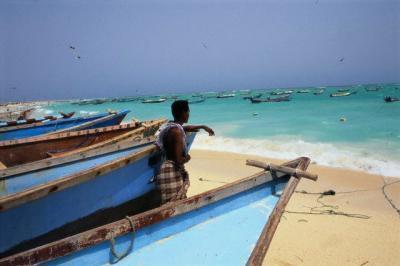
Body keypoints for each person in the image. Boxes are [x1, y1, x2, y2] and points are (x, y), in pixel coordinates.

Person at [155, 100, 214, 204]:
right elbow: (178, 160)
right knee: (176, 206)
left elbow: (186, 127)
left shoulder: (171, 127)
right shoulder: (177, 132)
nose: (188, 115)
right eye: (188, 112)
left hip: (165, 169)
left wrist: (203, 127)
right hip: (172, 172)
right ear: (183, 113)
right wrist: (188, 157)